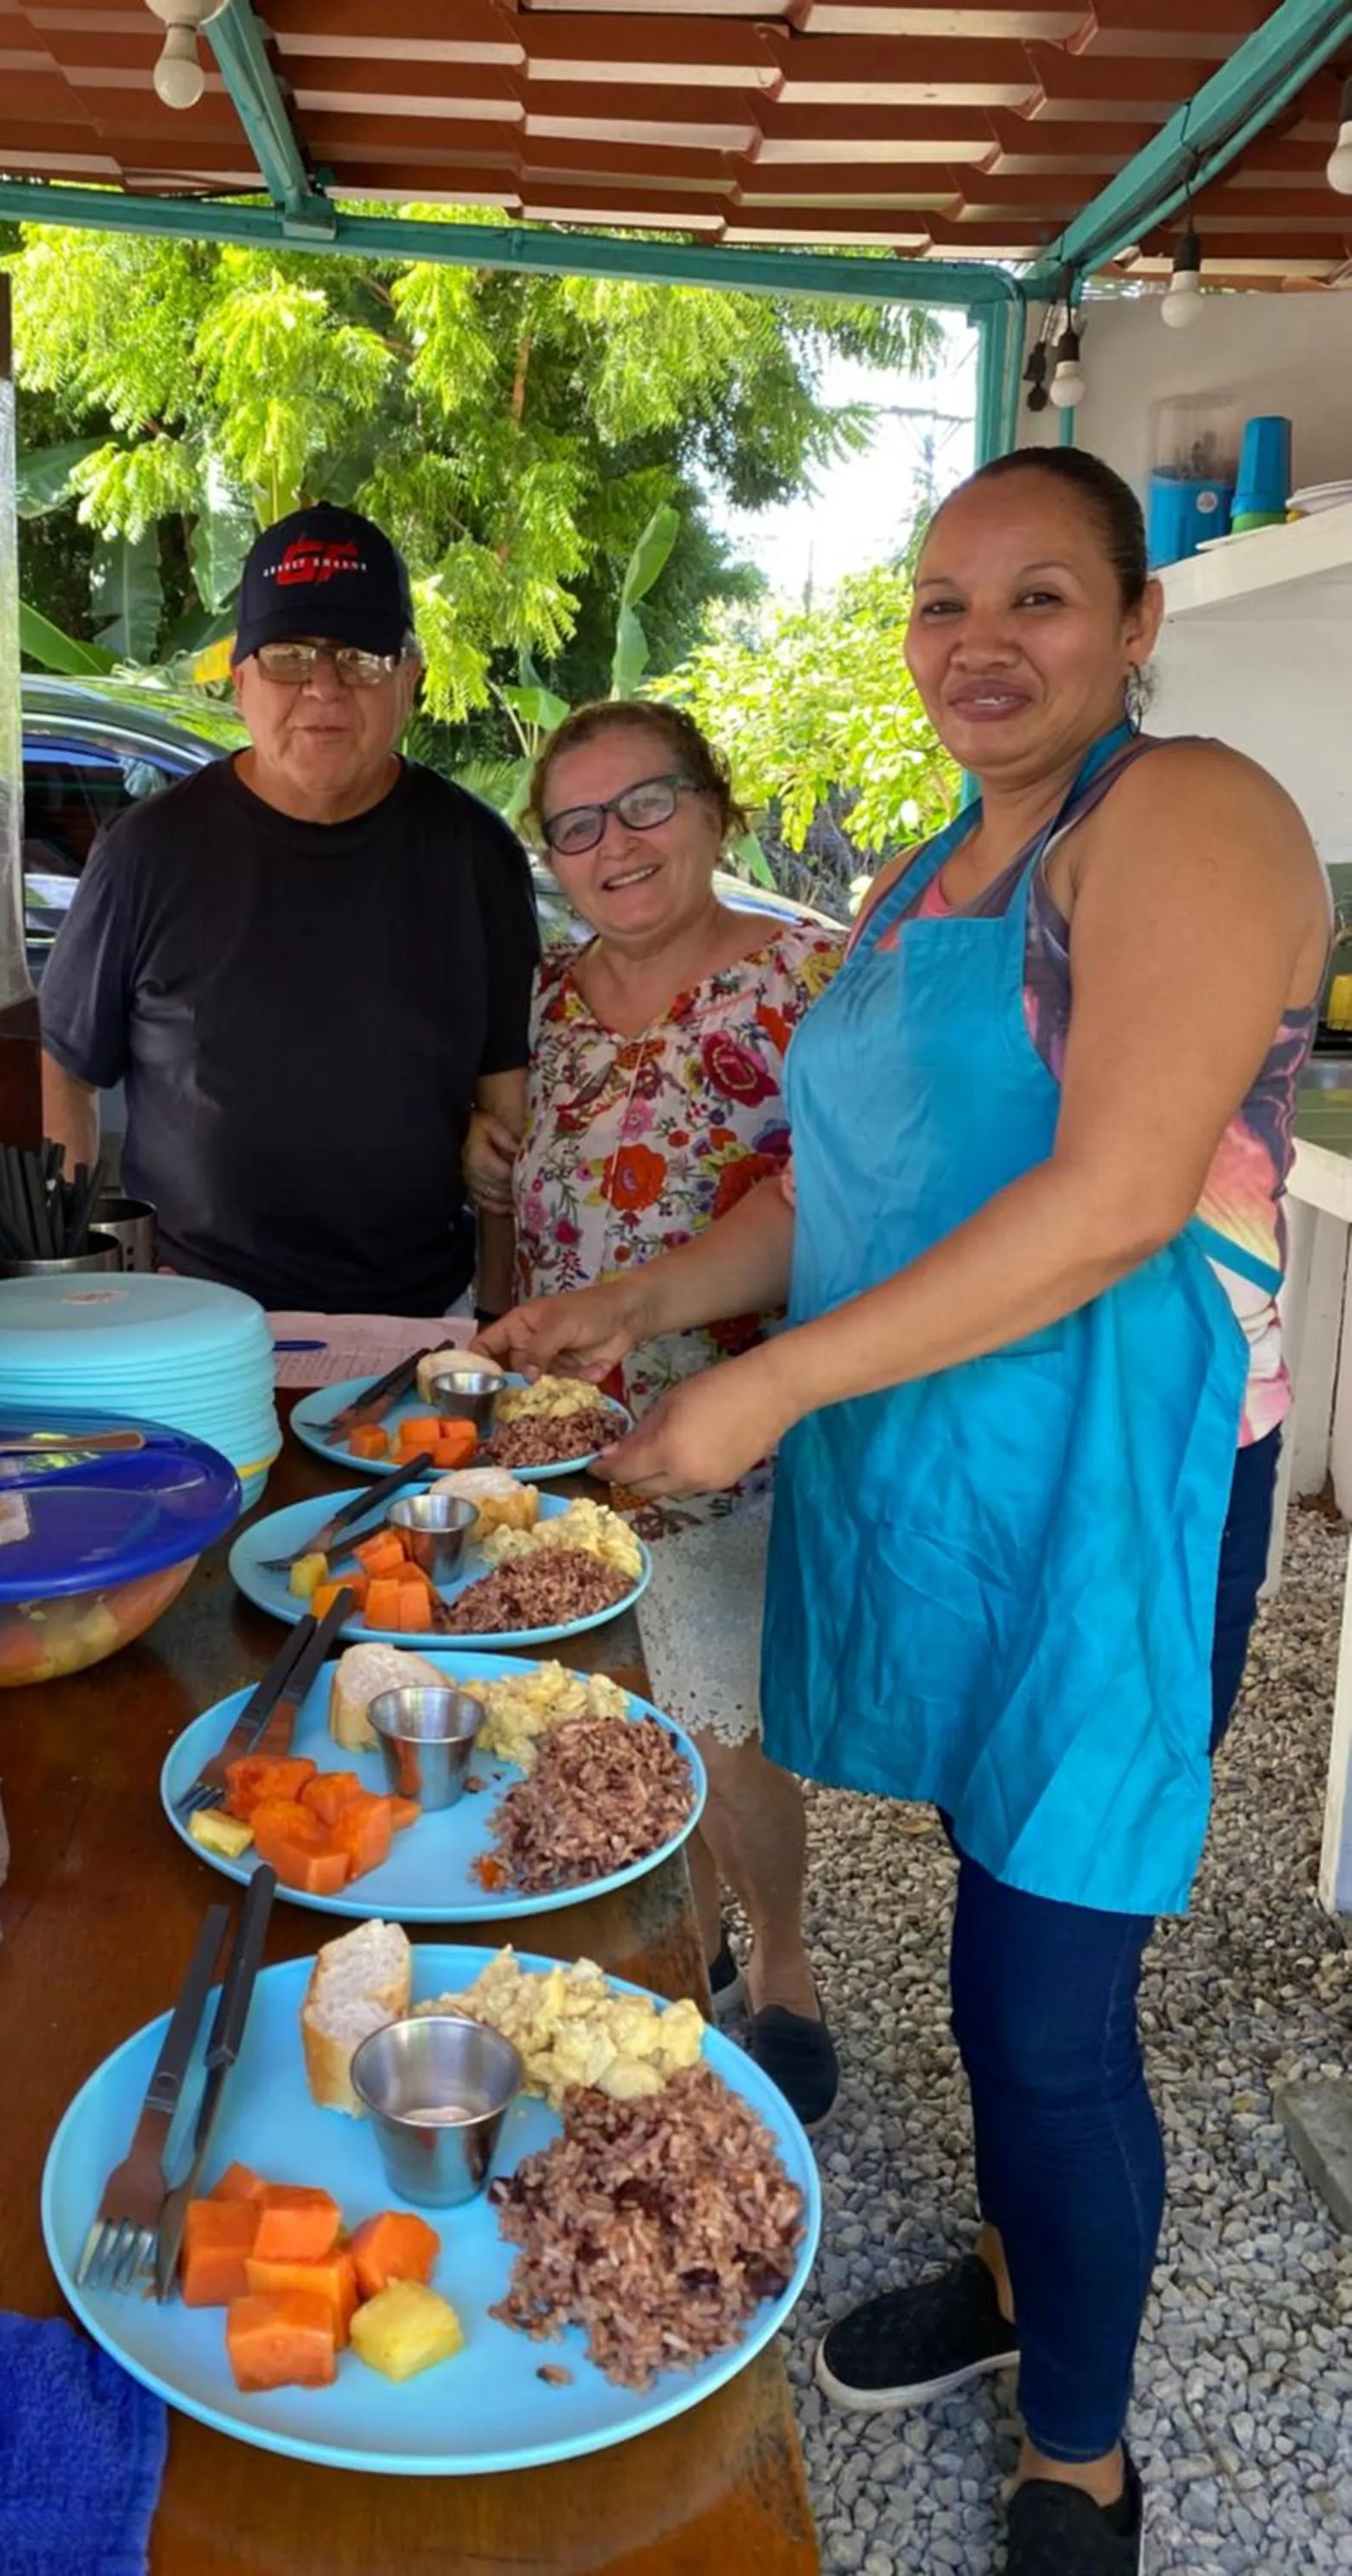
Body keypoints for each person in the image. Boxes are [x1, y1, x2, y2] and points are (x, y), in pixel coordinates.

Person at [482, 447, 1328, 2576]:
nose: (981, 641)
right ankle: (1033, 2263)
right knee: (978, 1928)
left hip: (1106, 1499)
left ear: (1134, 625)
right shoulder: (927, 877)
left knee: (1046, 2003)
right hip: (938, 1477)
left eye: (1038, 597)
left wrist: (753, 1387)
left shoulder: (1190, 817)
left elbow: (1121, 1193)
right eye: (944, 602)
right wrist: (648, 1295)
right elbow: (829, 1191)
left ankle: (1083, 2454)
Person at [463, 698, 845, 2126]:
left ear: (716, 810)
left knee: (724, 1717)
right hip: (563, 1430)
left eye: (646, 805)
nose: (613, 844)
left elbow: (852, 1213)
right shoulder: (546, 1000)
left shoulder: (814, 982)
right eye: (576, 825)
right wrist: (490, 1182)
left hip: (730, 1432)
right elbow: (515, 1174)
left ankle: (789, 1973)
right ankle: (669, 1953)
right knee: (601, 1709)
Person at [37, 504, 537, 1316]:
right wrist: (85, 1282)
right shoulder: (146, 852)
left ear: (410, 677)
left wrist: (494, 1316)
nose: (323, 687)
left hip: (416, 1317)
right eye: (290, 655)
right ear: (240, 681)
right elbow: (70, 1065)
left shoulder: (475, 855)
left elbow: (504, 1104)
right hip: (186, 1310)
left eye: (360, 656)